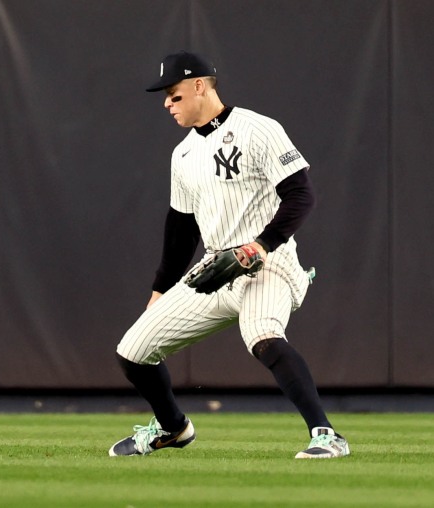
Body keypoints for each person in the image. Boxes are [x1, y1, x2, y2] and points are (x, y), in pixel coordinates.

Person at [109, 51, 350, 459]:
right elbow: (181, 230)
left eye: (174, 94)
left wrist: (260, 245)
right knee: (132, 351)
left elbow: (301, 195)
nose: (167, 103)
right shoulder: (182, 154)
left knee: (263, 337)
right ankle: (173, 429)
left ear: (200, 85)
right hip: (214, 269)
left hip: (267, 261)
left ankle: (326, 435)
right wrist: (160, 289)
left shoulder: (258, 129)